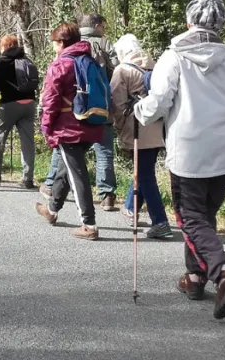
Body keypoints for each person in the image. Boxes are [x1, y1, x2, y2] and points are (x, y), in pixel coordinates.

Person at [134, 0, 225, 319]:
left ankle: (223, 272)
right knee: (204, 216)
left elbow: (158, 102)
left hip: (189, 148)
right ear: (220, 25)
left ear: (189, 22)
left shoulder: (174, 57)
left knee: (191, 218)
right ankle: (195, 277)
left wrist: (139, 111)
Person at [41, 13, 119, 209]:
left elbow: (54, 85)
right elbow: (116, 72)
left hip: (72, 111)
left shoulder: (67, 48)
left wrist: (47, 122)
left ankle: (51, 187)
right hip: (100, 106)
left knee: (64, 152)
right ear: (98, 26)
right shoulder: (104, 44)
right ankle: (107, 194)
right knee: (104, 152)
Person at [34, 22, 105, 240]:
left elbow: (51, 99)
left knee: (77, 174)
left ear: (62, 42)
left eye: (55, 43)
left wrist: (46, 125)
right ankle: (53, 210)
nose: (54, 47)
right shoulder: (90, 60)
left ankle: (89, 224)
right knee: (66, 169)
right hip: (91, 122)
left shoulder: (61, 64)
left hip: (68, 127)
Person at [111, 34, 172, 239]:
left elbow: (118, 105)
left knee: (145, 174)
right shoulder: (155, 67)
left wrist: (118, 127)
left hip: (137, 127)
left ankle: (160, 221)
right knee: (143, 168)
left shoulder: (122, 70)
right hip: (157, 127)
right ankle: (130, 208)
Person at [0, 34, 37, 189]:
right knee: (27, 142)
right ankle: (28, 178)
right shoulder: (27, 59)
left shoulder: (3, 61)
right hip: (29, 104)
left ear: (5, 46)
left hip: (10, 104)